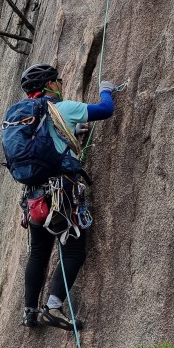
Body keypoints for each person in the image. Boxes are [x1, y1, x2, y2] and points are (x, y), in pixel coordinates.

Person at [17, 63, 116, 330]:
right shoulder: (63, 108)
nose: (60, 85)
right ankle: (53, 307)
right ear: (49, 84)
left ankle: (29, 311)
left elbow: (50, 139)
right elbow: (105, 110)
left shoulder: (25, 118)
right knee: (73, 250)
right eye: (57, 81)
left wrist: (73, 132)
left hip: (34, 196)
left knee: (38, 251)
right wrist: (107, 90)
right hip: (62, 192)